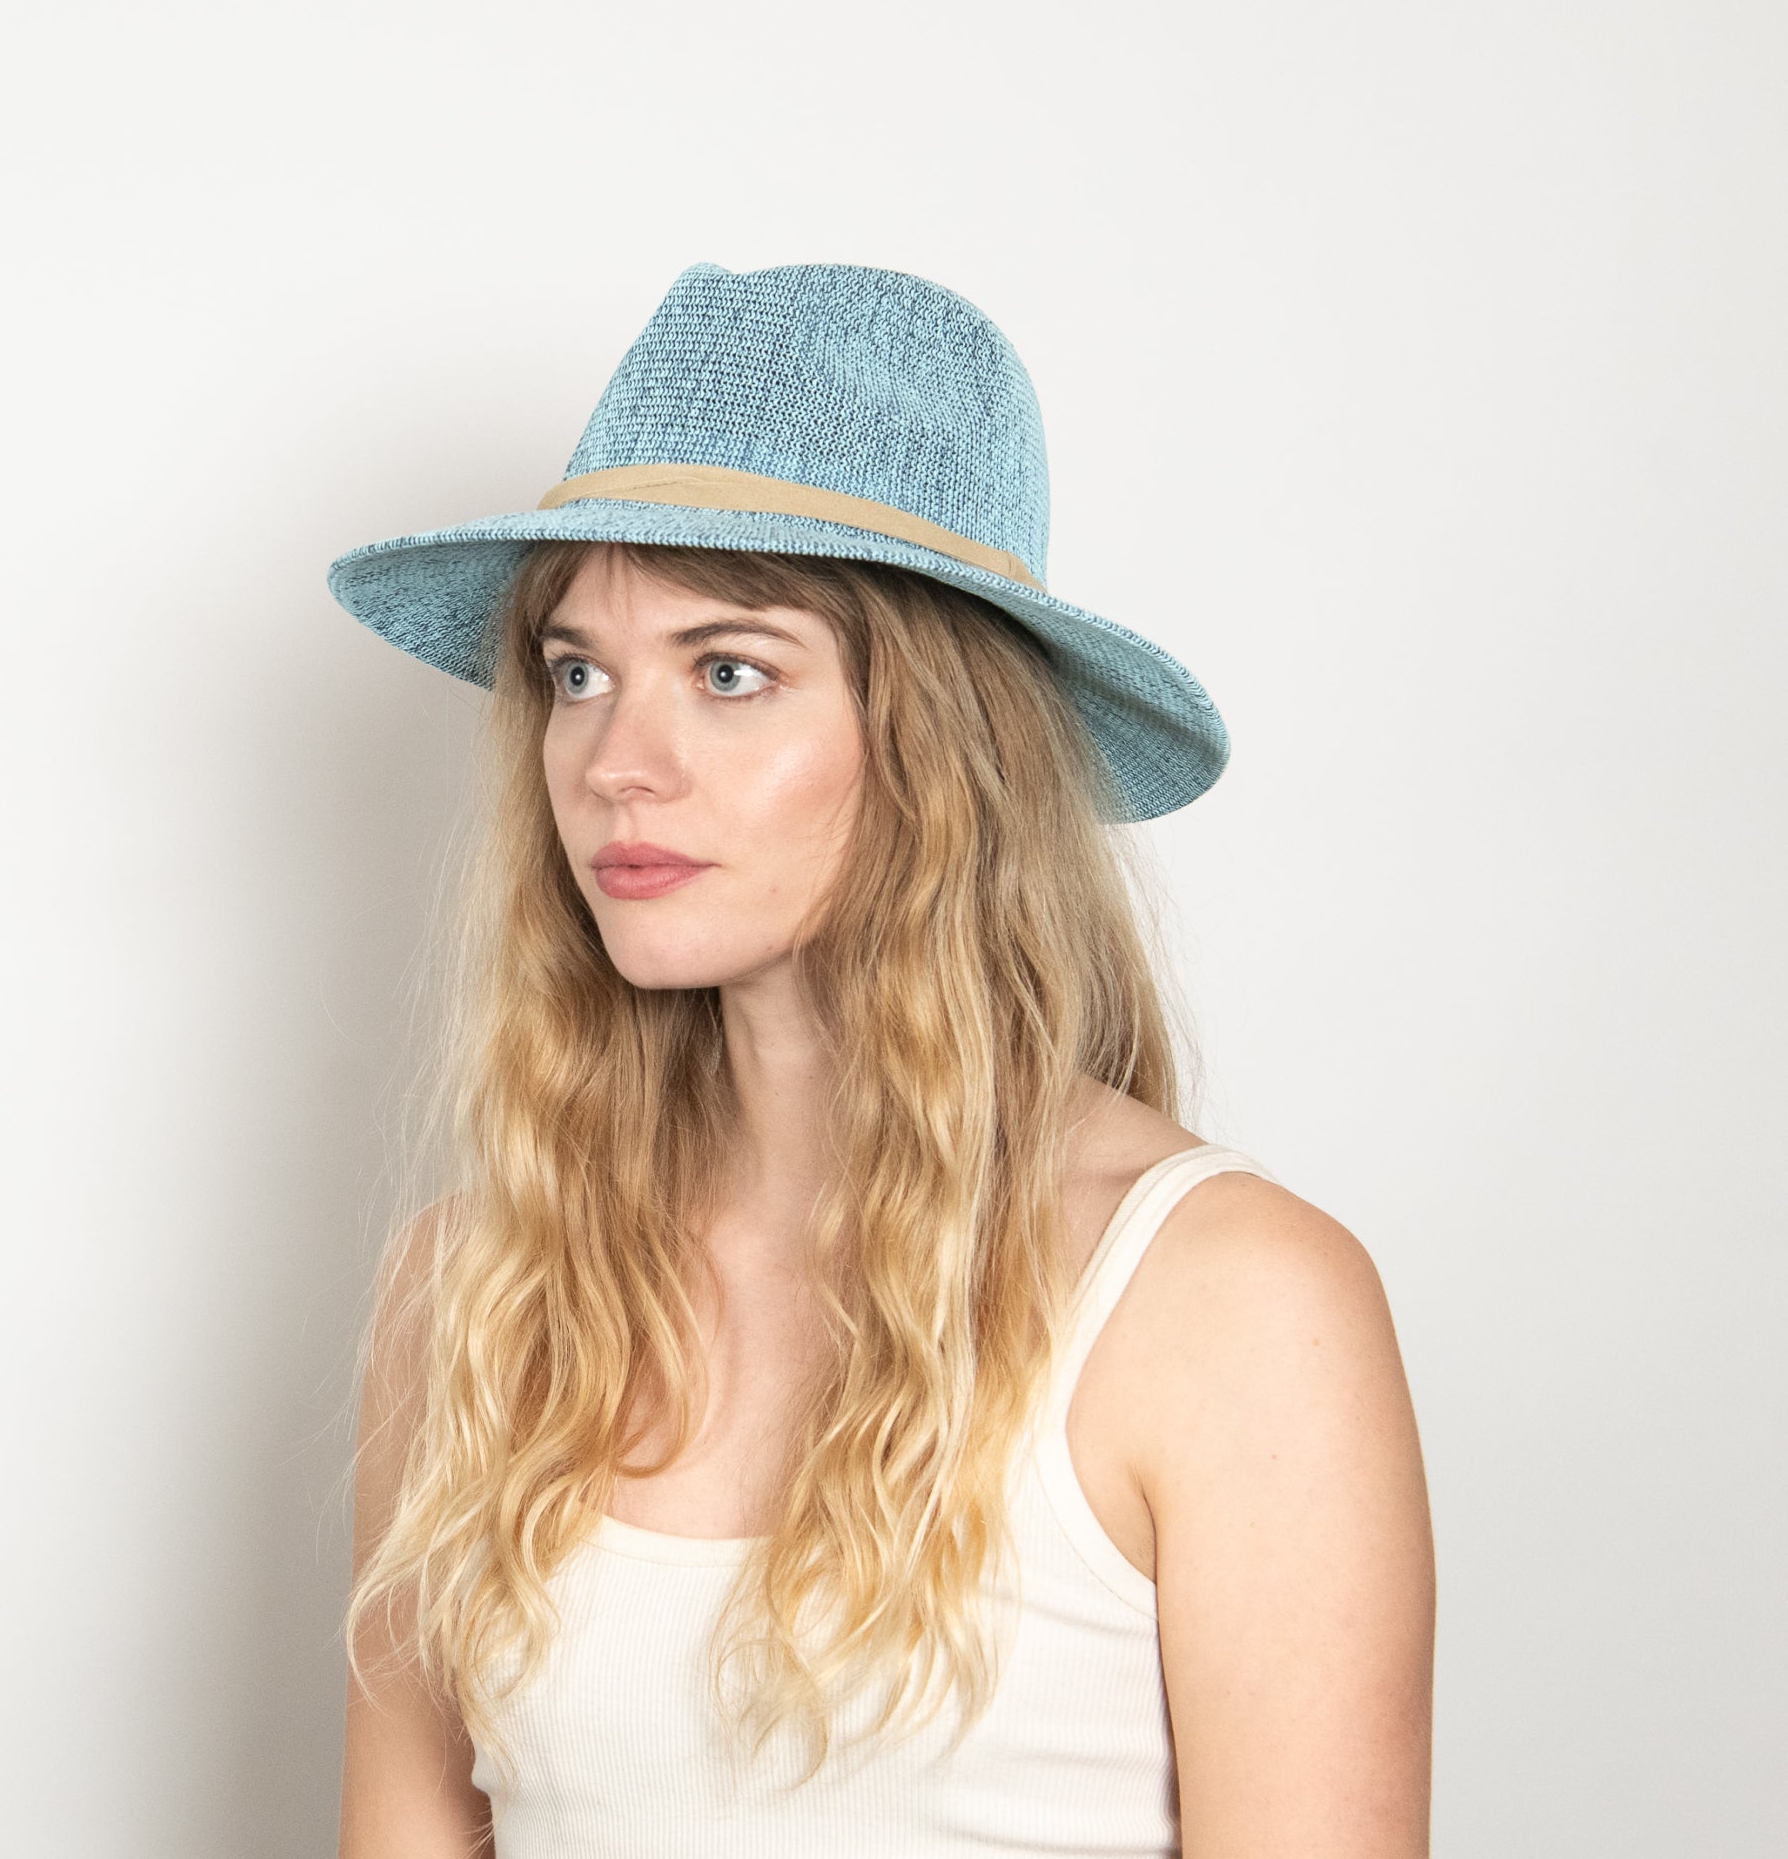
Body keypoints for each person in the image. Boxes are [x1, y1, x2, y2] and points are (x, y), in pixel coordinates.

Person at [324, 262, 1435, 1859]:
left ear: (939, 744)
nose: (616, 766)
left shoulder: (1226, 1302)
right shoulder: (475, 1293)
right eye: (579, 673)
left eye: (729, 672)